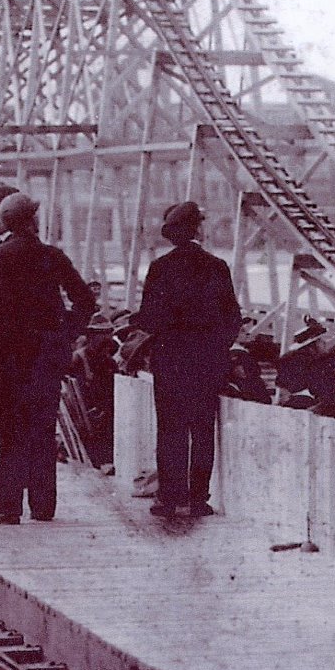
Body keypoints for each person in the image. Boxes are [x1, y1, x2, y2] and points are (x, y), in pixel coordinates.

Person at [0, 190, 95, 525]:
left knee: (12, 429)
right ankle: (43, 506)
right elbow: (85, 302)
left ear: (5, 222)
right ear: (32, 220)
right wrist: (65, 334)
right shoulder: (53, 257)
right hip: (46, 358)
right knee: (43, 429)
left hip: (6, 360)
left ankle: (7, 507)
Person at [132, 201, 243, 521]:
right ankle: (198, 500)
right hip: (206, 363)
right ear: (197, 229)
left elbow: (149, 320)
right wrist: (217, 349)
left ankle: (169, 498)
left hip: (169, 361)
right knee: (202, 430)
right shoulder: (216, 266)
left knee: (170, 430)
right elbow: (233, 318)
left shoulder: (160, 268)